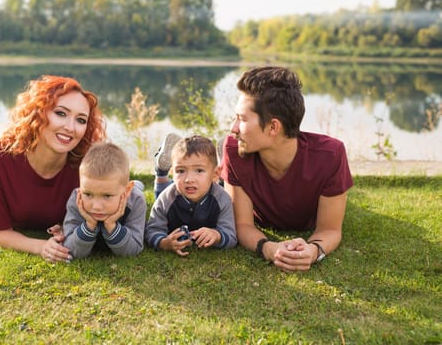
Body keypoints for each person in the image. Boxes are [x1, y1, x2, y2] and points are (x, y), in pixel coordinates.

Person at [220, 66, 353, 272]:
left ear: (273, 127)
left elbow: (330, 229)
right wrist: (269, 248)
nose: (233, 128)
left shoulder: (331, 155)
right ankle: (218, 174)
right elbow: (243, 225)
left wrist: (314, 250)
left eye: (242, 119)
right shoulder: (233, 150)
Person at [0, 75, 106, 263]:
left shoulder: (87, 163)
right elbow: (1, 234)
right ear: (38, 113)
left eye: (81, 120)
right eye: (60, 113)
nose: (70, 127)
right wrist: (42, 246)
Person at [146, 135, 237, 256]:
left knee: (216, 184)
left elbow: (231, 236)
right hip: (170, 191)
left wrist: (217, 235)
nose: (189, 179)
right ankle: (161, 171)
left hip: (215, 184)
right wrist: (164, 243)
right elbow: (152, 230)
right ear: (172, 174)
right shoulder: (166, 199)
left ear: (215, 173)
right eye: (180, 171)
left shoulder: (222, 199)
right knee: (161, 192)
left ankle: (224, 163)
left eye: (199, 170)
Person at [62, 142, 146, 258]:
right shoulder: (77, 199)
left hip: (132, 192)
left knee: (137, 189)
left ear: (126, 192)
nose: (96, 206)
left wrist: (111, 225)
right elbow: (70, 249)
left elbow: (133, 249)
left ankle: (136, 185)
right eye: (88, 194)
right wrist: (89, 225)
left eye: (107, 196)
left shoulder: (136, 201)